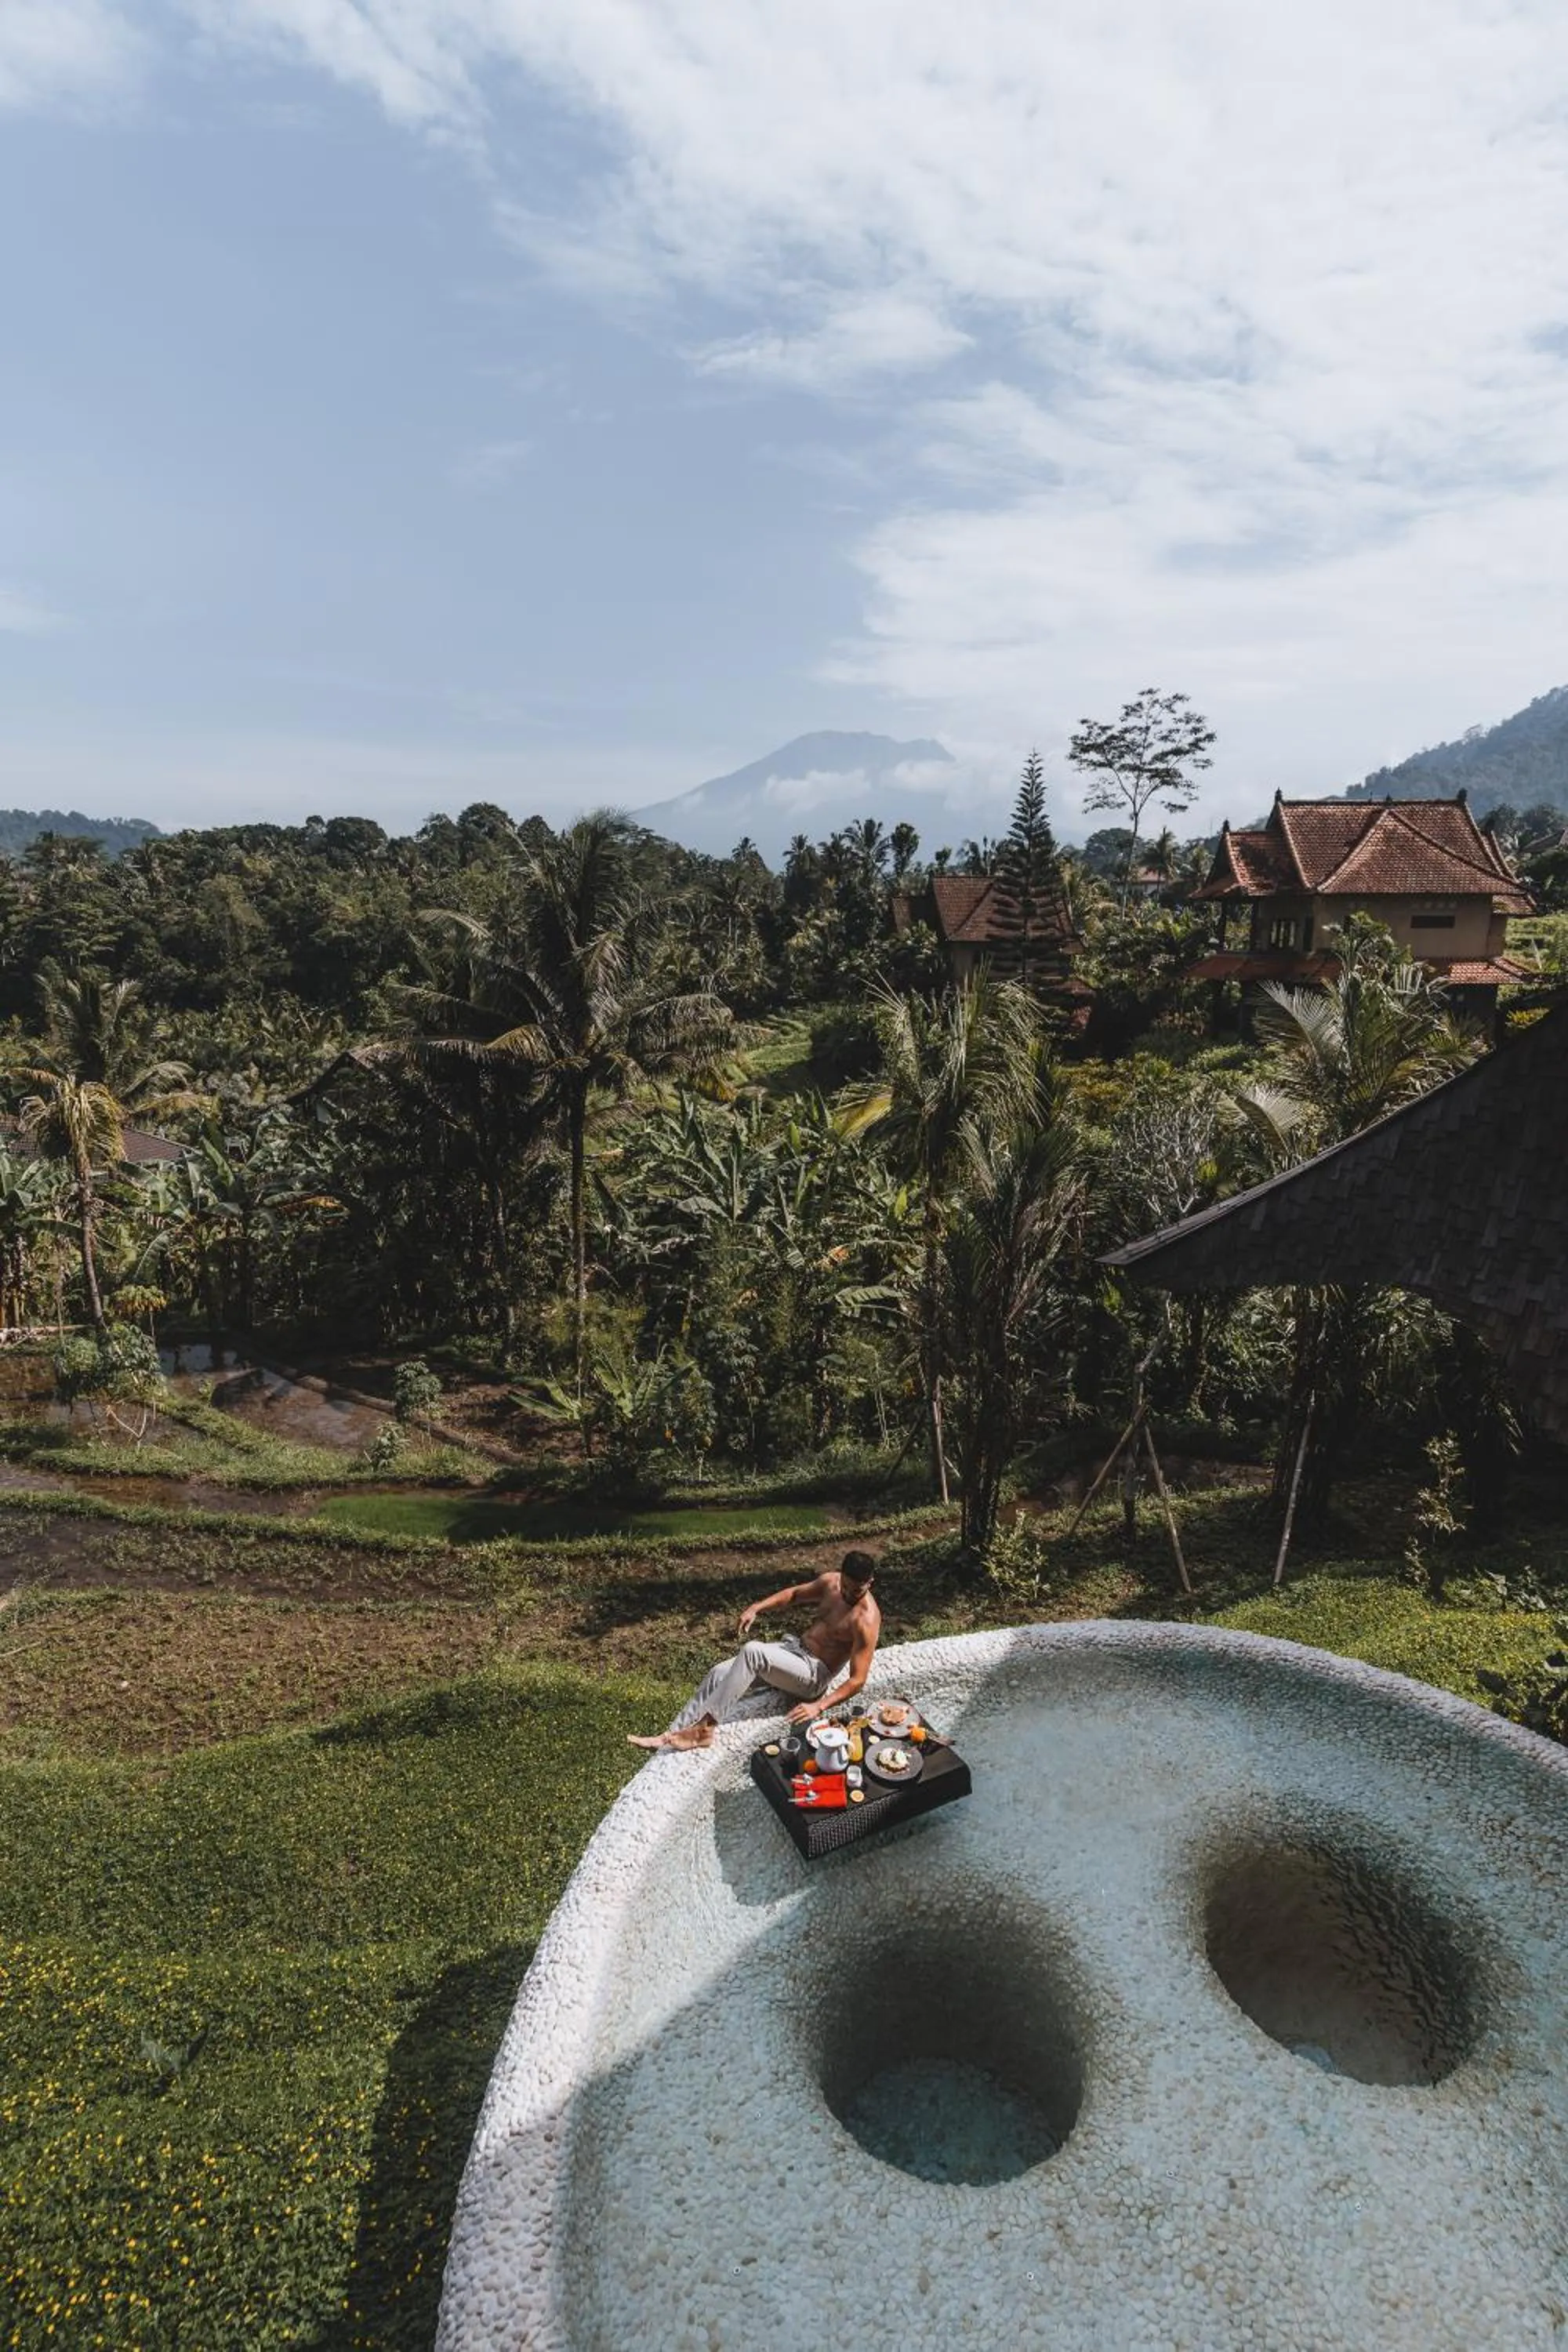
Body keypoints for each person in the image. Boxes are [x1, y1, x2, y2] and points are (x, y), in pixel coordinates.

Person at [628, 1552, 882, 1752]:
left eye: (856, 1590)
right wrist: (757, 1608)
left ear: (869, 1583)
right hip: (795, 1652)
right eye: (845, 1586)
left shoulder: (866, 1620)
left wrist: (819, 1706)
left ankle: (705, 1730)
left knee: (752, 1652)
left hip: (813, 1676)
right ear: (841, 1576)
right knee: (718, 1673)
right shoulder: (830, 1583)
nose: (848, 1594)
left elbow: (858, 1679)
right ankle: (670, 1737)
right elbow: (793, 1595)